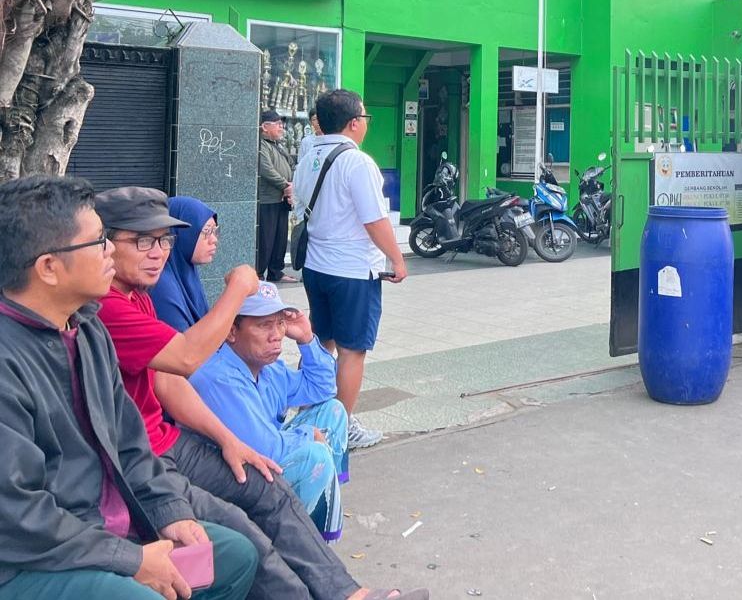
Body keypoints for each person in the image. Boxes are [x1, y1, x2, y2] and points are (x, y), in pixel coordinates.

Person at [94, 186, 428, 600]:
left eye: (164, 240)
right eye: (143, 240)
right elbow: (183, 360)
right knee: (246, 532)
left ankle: (348, 594)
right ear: (100, 244)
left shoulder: (142, 294)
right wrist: (238, 290)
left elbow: (166, 380)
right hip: (138, 458)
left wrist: (228, 441)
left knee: (268, 485)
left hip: (164, 442)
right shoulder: (108, 306)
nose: (157, 252)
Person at [0, 175, 258, 600]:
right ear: (47, 267)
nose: (110, 253)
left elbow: (130, 444)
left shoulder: (87, 329)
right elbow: (16, 513)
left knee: (233, 556)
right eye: (98, 242)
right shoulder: (9, 357)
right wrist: (129, 560)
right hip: (34, 558)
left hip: (108, 525)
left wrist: (168, 512)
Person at [293, 89, 408, 450]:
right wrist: (398, 259)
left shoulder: (308, 154)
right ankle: (338, 428)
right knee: (352, 350)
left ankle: (308, 413)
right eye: (365, 118)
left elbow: (298, 201)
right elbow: (374, 220)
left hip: (316, 266)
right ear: (354, 122)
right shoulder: (357, 162)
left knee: (320, 342)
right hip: (352, 272)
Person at [191, 281, 349, 542]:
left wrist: (307, 338)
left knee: (332, 411)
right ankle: (299, 543)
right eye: (264, 325)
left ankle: (317, 524)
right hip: (224, 484)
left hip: (262, 458)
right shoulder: (218, 377)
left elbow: (322, 388)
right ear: (231, 331)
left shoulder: (268, 367)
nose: (276, 334)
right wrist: (308, 434)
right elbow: (264, 447)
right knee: (314, 455)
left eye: (279, 323)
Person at [153, 196, 218, 331]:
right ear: (181, 234)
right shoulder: (160, 283)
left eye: (215, 231)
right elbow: (184, 345)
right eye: (206, 231)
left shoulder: (185, 270)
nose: (214, 240)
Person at [257, 111, 296, 284]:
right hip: (268, 200)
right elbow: (266, 169)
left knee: (280, 238)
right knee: (266, 238)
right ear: (265, 127)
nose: (282, 127)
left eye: (282, 124)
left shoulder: (277, 145)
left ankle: (276, 272)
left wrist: (292, 186)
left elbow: (291, 165)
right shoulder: (260, 145)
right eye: (277, 123)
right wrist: (285, 185)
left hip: (282, 199)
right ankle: (259, 273)